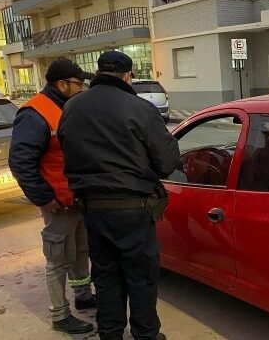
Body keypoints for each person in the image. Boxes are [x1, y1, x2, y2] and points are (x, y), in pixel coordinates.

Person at [58, 51, 179, 340]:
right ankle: (146, 335)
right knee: (141, 276)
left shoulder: (72, 107)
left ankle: (110, 334)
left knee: (106, 275)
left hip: (93, 209)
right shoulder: (139, 108)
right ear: (128, 76)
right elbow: (166, 162)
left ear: (98, 72)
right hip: (133, 208)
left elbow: (66, 149)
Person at [8, 59, 96, 334]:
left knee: (80, 251)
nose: (81, 89)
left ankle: (82, 297)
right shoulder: (35, 113)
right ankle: (60, 315)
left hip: (77, 199)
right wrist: (43, 197)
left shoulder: (67, 107)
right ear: (61, 84)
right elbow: (20, 161)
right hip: (57, 202)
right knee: (58, 259)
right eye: (78, 84)